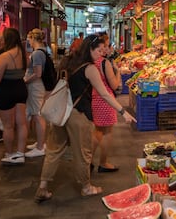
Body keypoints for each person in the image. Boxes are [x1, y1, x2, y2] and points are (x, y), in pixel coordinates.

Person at [34, 34, 136, 203]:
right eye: (99, 50)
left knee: (53, 151)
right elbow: (104, 93)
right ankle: (86, 187)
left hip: (61, 112)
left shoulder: (67, 61)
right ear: (90, 49)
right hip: (77, 113)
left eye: (103, 50)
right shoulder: (89, 68)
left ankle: (42, 187)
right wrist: (122, 111)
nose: (101, 54)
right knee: (83, 153)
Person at [0, 28, 28, 165]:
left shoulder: (5, 56)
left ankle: (9, 153)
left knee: (8, 126)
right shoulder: (24, 54)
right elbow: (24, 72)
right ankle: (20, 153)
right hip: (21, 88)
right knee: (22, 123)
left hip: (6, 90)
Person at [91, 33, 122, 173]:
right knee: (107, 132)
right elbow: (114, 85)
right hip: (105, 100)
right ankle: (103, 163)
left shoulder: (92, 62)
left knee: (97, 131)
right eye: (107, 46)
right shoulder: (105, 63)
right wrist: (118, 71)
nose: (108, 49)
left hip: (94, 99)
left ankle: (88, 161)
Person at [23, 28, 48, 158]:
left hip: (36, 87)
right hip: (37, 87)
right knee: (37, 114)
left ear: (33, 39)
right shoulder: (42, 51)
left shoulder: (37, 53)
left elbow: (38, 74)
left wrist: (26, 80)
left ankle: (40, 147)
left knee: (38, 116)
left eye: (29, 39)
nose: (29, 42)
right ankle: (40, 142)